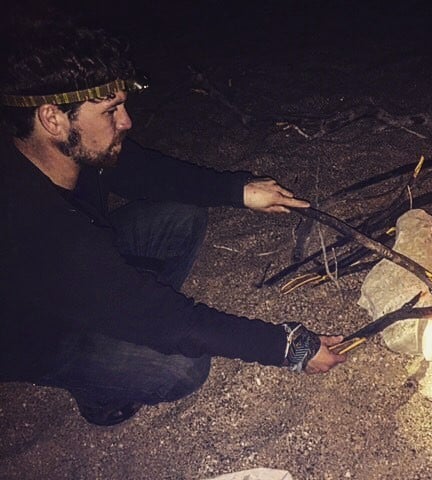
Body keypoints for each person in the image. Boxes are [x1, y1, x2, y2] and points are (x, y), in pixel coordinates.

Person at [0, 24, 345, 427]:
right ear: (53, 119)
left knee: (180, 218)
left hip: (81, 273)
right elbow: (169, 321)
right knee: (181, 368)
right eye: (111, 111)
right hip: (32, 332)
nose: (127, 121)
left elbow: (147, 172)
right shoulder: (29, 221)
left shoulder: (63, 151)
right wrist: (286, 346)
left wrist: (240, 191)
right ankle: (99, 391)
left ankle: (121, 307)